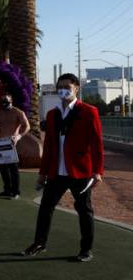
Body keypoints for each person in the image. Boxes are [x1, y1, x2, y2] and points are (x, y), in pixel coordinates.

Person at [22, 73, 104, 262]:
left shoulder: (88, 111)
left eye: (67, 86)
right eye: (60, 87)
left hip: (80, 172)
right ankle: (39, 243)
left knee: (84, 211)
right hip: (56, 172)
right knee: (45, 207)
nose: (63, 90)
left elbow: (96, 144)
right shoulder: (53, 114)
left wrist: (98, 172)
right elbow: (49, 146)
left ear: (76, 88)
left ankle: (86, 250)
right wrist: (42, 174)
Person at [0, 92, 29, 198]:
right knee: (3, 169)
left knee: (13, 169)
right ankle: (7, 190)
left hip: (12, 143)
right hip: (1, 144)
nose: (4, 103)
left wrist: (19, 136)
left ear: (11, 101)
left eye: (6, 101)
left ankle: (16, 192)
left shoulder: (18, 112)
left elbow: (27, 126)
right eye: (2, 101)